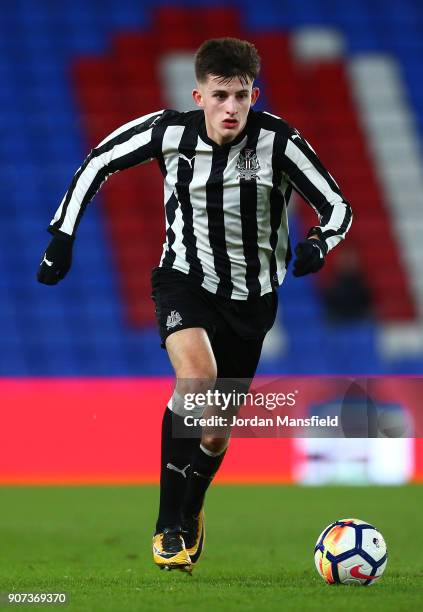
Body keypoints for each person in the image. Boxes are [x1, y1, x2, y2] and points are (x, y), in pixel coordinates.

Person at [37, 37, 353, 573]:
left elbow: (338, 204)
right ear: (198, 94)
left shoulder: (279, 142)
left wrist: (321, 243)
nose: (231, 107)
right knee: (196, 377)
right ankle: (168, 527)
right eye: (220, 95)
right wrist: (62, 235)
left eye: (242, 96)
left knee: (214, 431)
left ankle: (192, 508)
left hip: (252, 301)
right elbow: (99, 161)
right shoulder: (170, 132)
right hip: (183, 279)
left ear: (255, 94)